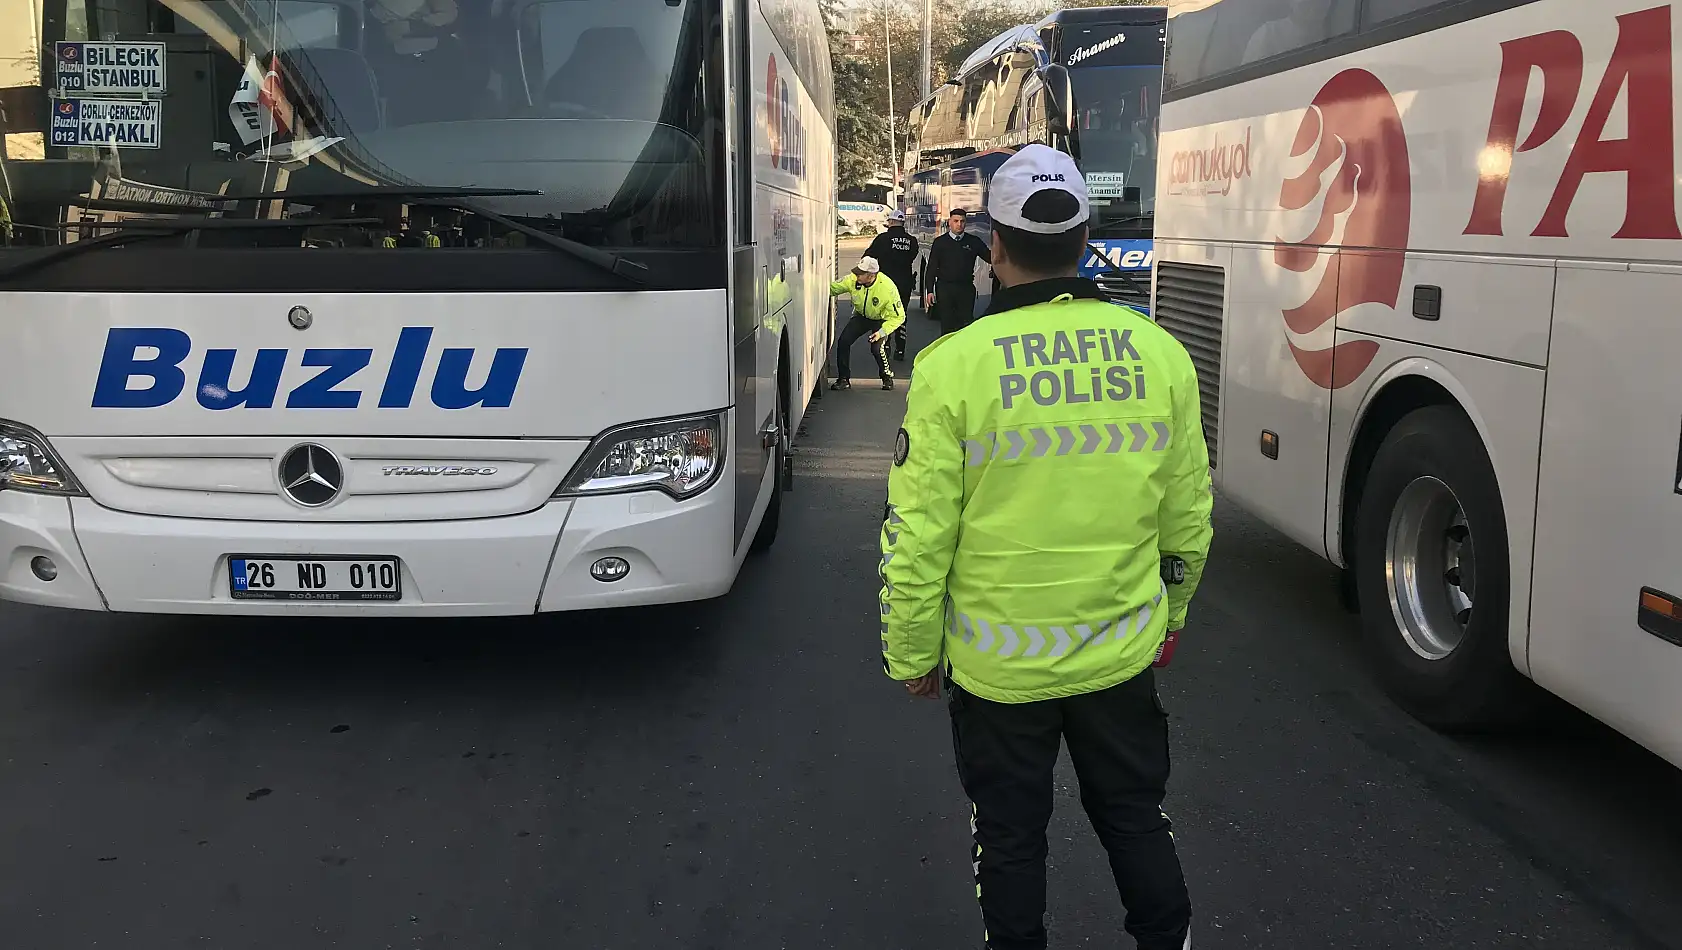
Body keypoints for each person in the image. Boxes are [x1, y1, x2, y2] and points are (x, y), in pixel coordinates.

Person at [878, 144, 1213, 950]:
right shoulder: (1159, 352)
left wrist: (912, 652)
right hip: (1119, 651)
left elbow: (919, 533)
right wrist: (1171, 615)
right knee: (1135, 818)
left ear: (995, 243)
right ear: (1087, 234)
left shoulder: (952, 366)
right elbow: (1188, 515)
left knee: (1011, 836)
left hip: (1000, 671)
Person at [829, 256, 906, 391]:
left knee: (876, 348)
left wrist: (881, 332)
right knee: (843, 341)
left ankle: (886, 377)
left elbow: (899, 317)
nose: (856, 275)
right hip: (861, 316)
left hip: (881, 319)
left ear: (871, 276)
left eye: (860, 273)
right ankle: (843, 379)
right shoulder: (853, 280)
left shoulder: (887, 289)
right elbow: (833, 288)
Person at [923, 208, 991, 335]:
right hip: (945, 288)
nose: (959, 224)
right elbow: (931, 268)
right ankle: (947, 352)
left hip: (965, 288)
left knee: (965, 325)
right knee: (947, 324)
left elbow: (990, 258)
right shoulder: (940, 242)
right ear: (949, 222)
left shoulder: (973, 242)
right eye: (956, 221)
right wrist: (929, 291)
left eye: (962, 221)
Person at [865, 210, 920, 362]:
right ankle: (900, 349)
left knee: (885, 314)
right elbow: (912, 255)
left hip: (885, 283)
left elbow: (867, 257)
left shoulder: (882, 239)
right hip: (905, 283)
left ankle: (886, 345)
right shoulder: (912, 240)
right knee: (901, 314)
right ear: (902, 223)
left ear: (890, 222)